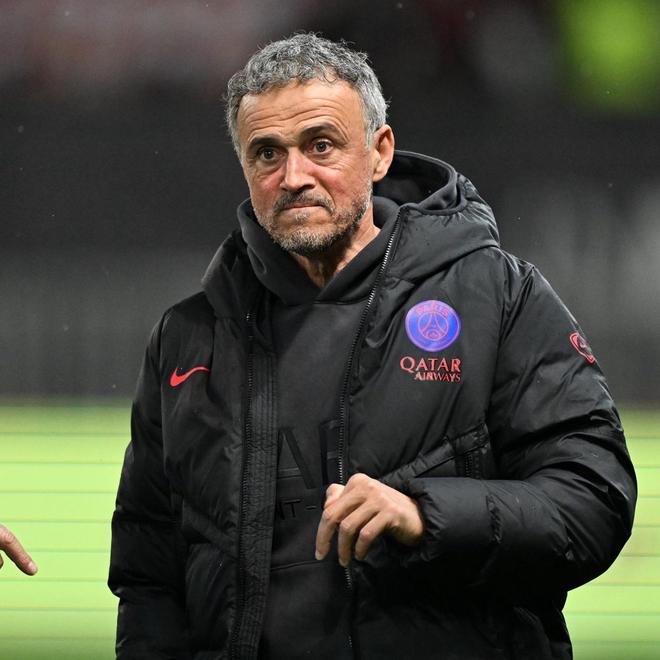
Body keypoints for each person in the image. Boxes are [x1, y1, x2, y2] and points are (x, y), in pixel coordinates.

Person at [108, 33, 636, 659]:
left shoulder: (497, 296)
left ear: (380, 151)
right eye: (267, 153)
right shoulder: (188, 337)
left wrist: (427, 514)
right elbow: (149, 574)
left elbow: (593, 501)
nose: (294, 177)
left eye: (321, 145)